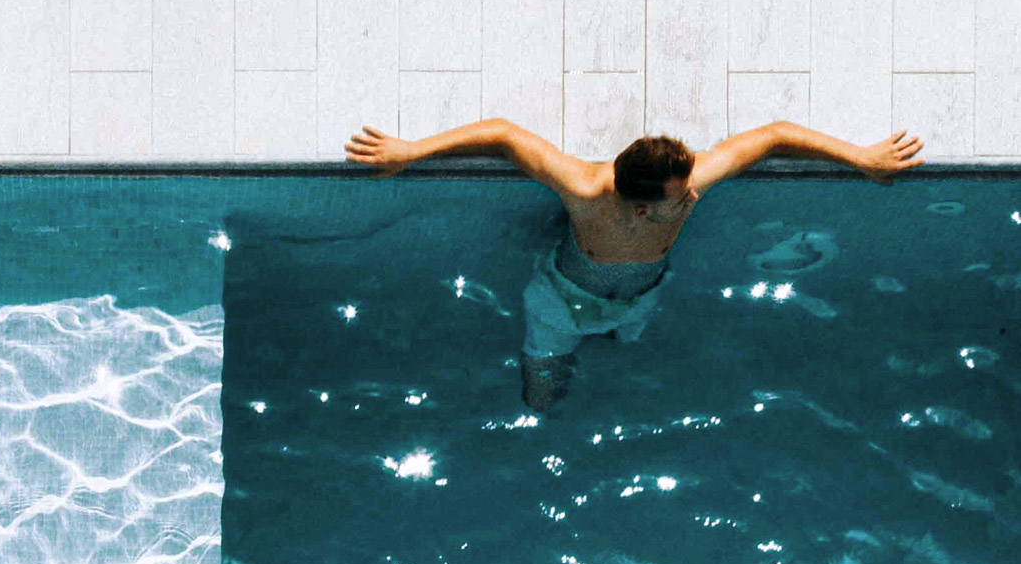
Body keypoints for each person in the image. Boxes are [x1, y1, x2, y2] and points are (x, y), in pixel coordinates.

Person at [343, 117, 924, 409]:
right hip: (563, 300)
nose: (694, 196)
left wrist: (862, 158)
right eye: (680, 194)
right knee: (542, 397)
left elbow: (770, 136)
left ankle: (616, 341)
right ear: (642, 205)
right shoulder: (584, 189)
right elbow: (501, 133)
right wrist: (410, 151)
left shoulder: (687, 183)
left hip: (643, 293)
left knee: (632, 342)